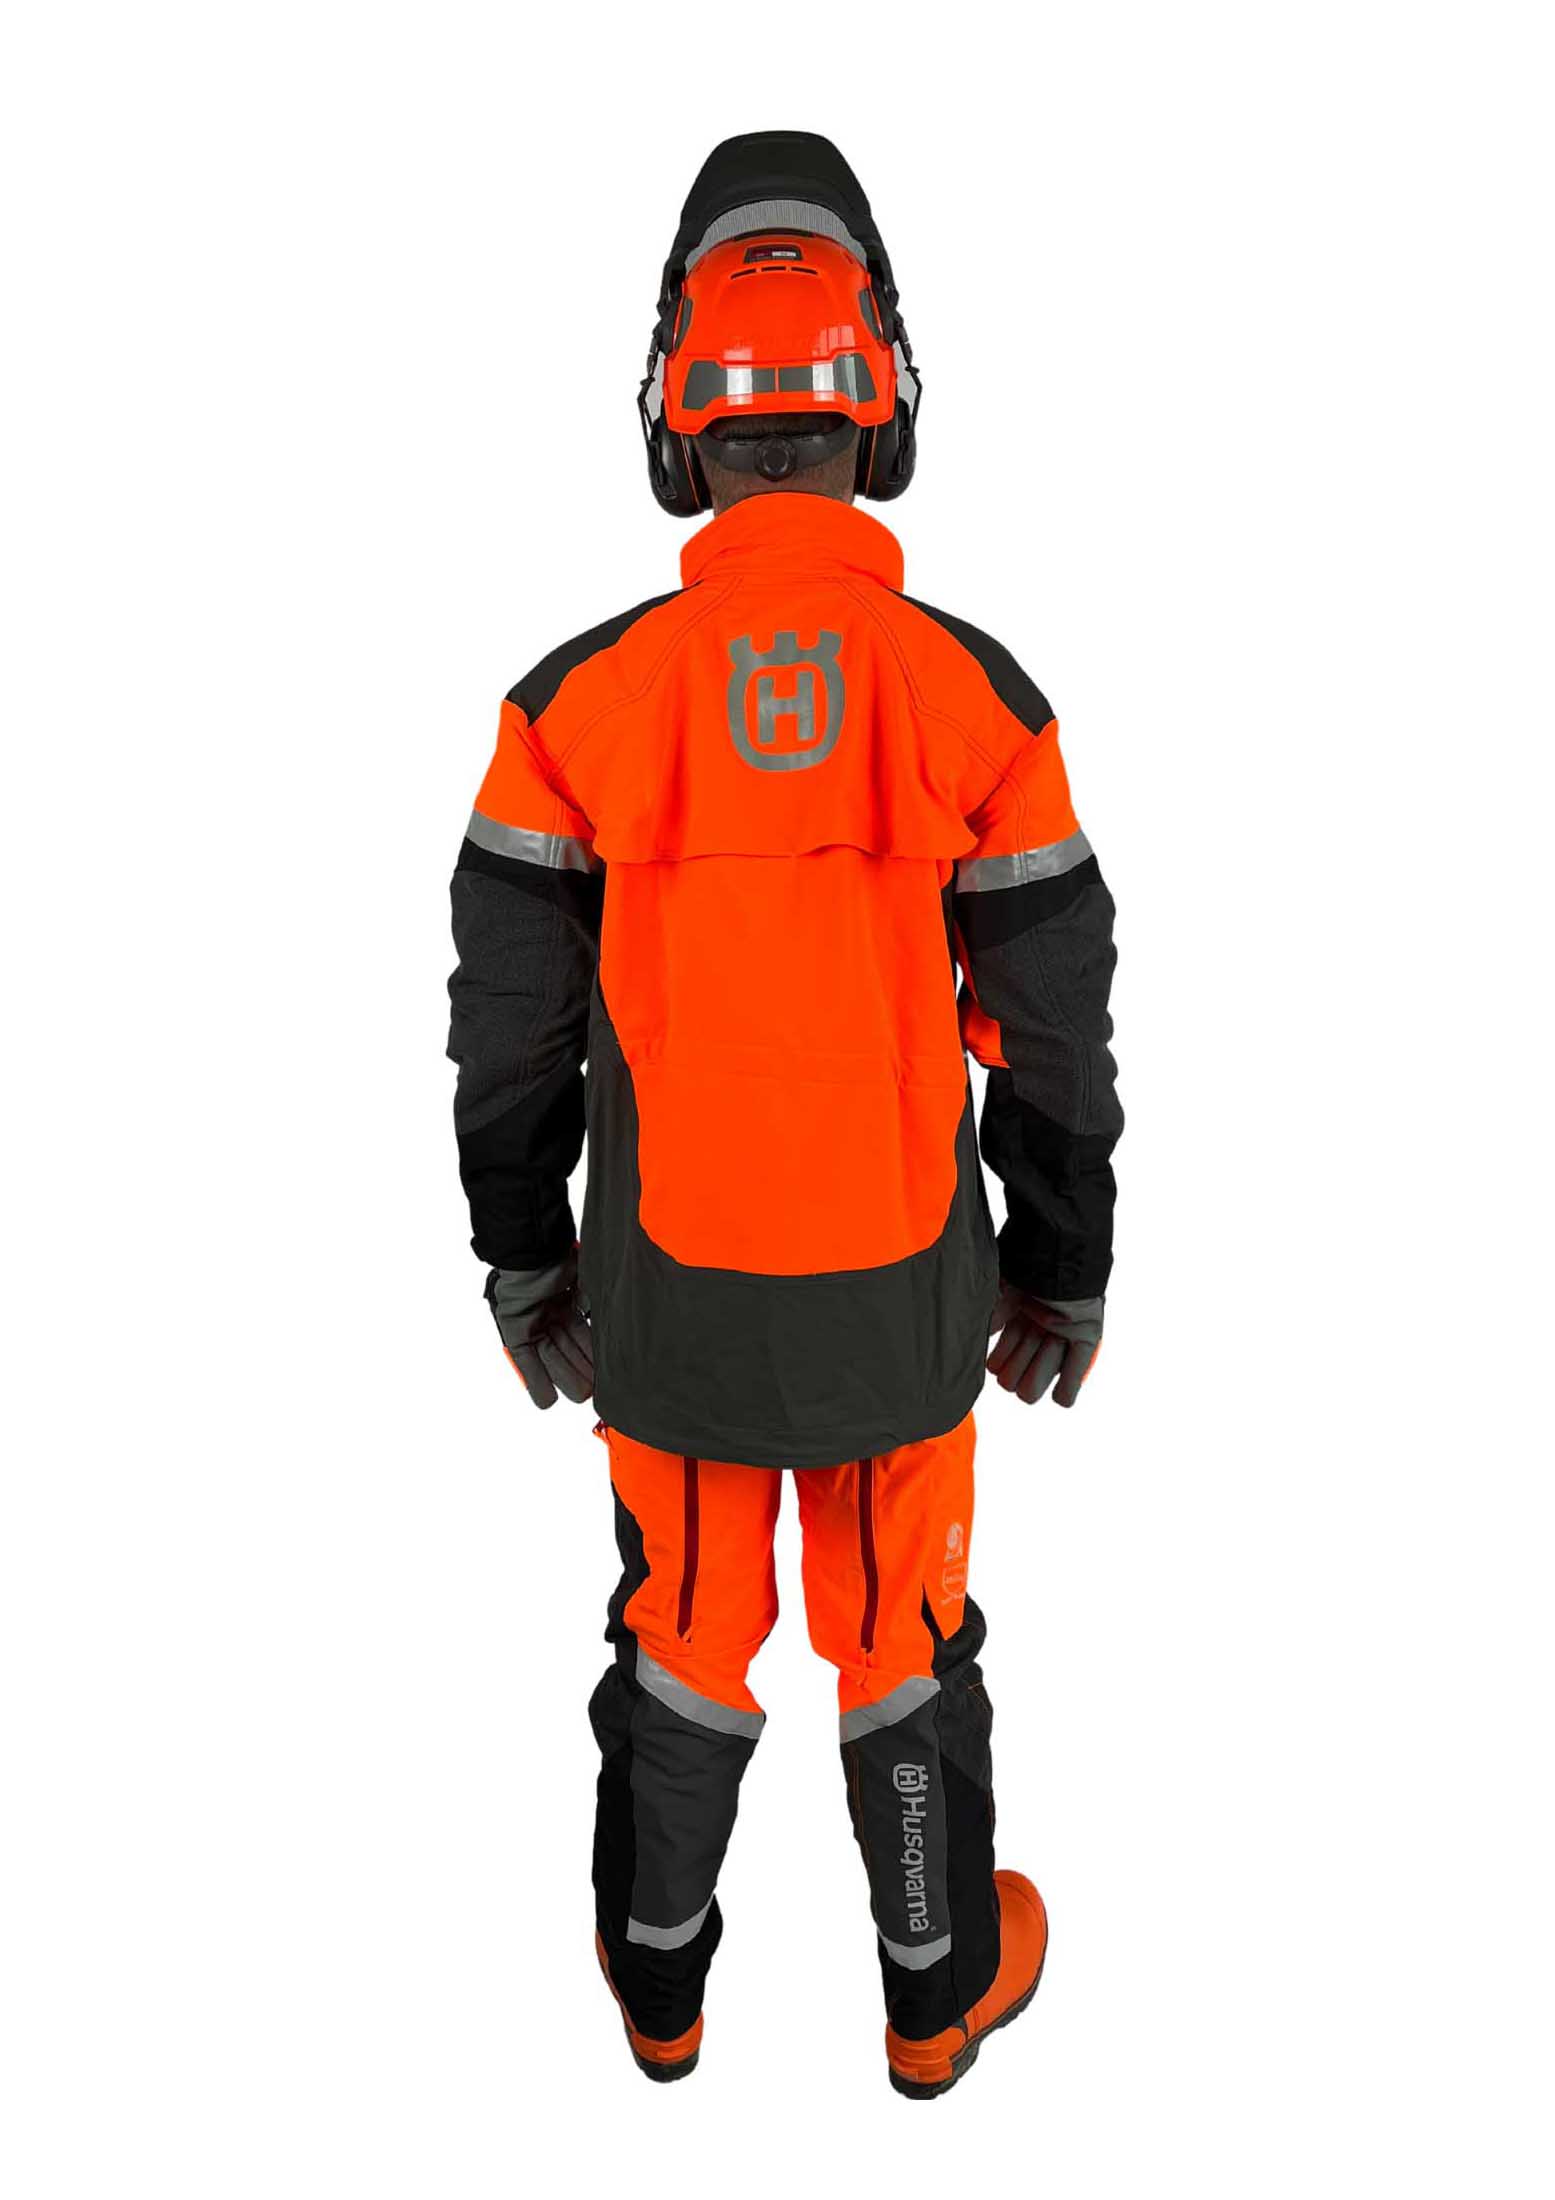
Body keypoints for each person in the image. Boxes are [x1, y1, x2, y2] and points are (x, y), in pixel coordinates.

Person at [447, 131, 1122, 2099]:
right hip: (907, 1306)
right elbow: (1057, 1035)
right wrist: (1065, 1267)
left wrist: (523, 1262)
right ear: (881, 405)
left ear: (675, 423)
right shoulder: (974, 699)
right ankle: (935, 1993)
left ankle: (659, 1992)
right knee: (899, 1627)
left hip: (668, 1308)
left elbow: (508, 1038)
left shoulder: (572, 709)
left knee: (684, 1621)